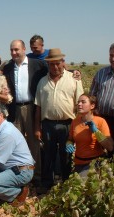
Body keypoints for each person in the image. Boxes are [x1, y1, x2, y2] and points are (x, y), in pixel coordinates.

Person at [34, 48, 84, 192]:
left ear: (63, 63)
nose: (55, 67)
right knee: (47, 155)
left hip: (68, 124)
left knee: (66, 155)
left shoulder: (73, 80)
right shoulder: (42, 82)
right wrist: (37, 128)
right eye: (52, 64)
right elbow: (38, 107)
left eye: (58, 63)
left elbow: (79, 104)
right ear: (48, 64)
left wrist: (79, 126)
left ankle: (66, 183)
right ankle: (46, 184)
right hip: (48, 124)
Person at [2, 40, 48, 184]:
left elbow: (55, 71)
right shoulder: (8, 67)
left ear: (24, 49)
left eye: (16, 49)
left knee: (34, 141)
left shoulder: (37, 65)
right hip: (14, 109)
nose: (14, 52)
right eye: (11, 50)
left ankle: (37, 175)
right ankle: (19, 174)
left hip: (32, 108)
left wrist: (74, 73)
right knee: (16, 142)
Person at [90, 42, 114, 157]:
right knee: (98, 152)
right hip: (100, 120)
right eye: (111, 55)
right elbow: (92, 96)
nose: (113, 59)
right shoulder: (101, 73)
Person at [66, 94, 114, 178]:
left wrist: (96, 132)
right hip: (78, 163)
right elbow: (70, 139)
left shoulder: (100, 121)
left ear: (92, 106)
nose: (79, 104)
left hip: (93, 164)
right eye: (78, 102)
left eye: (83, 102)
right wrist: (69, 143)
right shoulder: (75, 121)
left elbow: (110, 147)